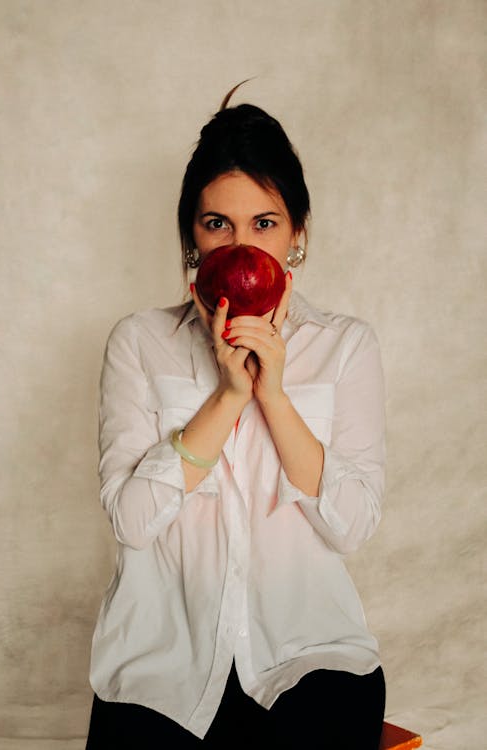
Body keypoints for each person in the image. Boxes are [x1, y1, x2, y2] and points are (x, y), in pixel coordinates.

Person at [85, 90, 387, 748]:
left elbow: (352, 525)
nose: (240, 243)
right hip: (160, 664)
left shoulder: (345, 345)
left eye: (265, 223)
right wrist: (227, 397)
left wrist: (273, 396)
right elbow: (132, 522)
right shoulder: (139, 341)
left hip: (308, 656)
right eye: (216, 223)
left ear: (297, 234)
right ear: (191, 236)